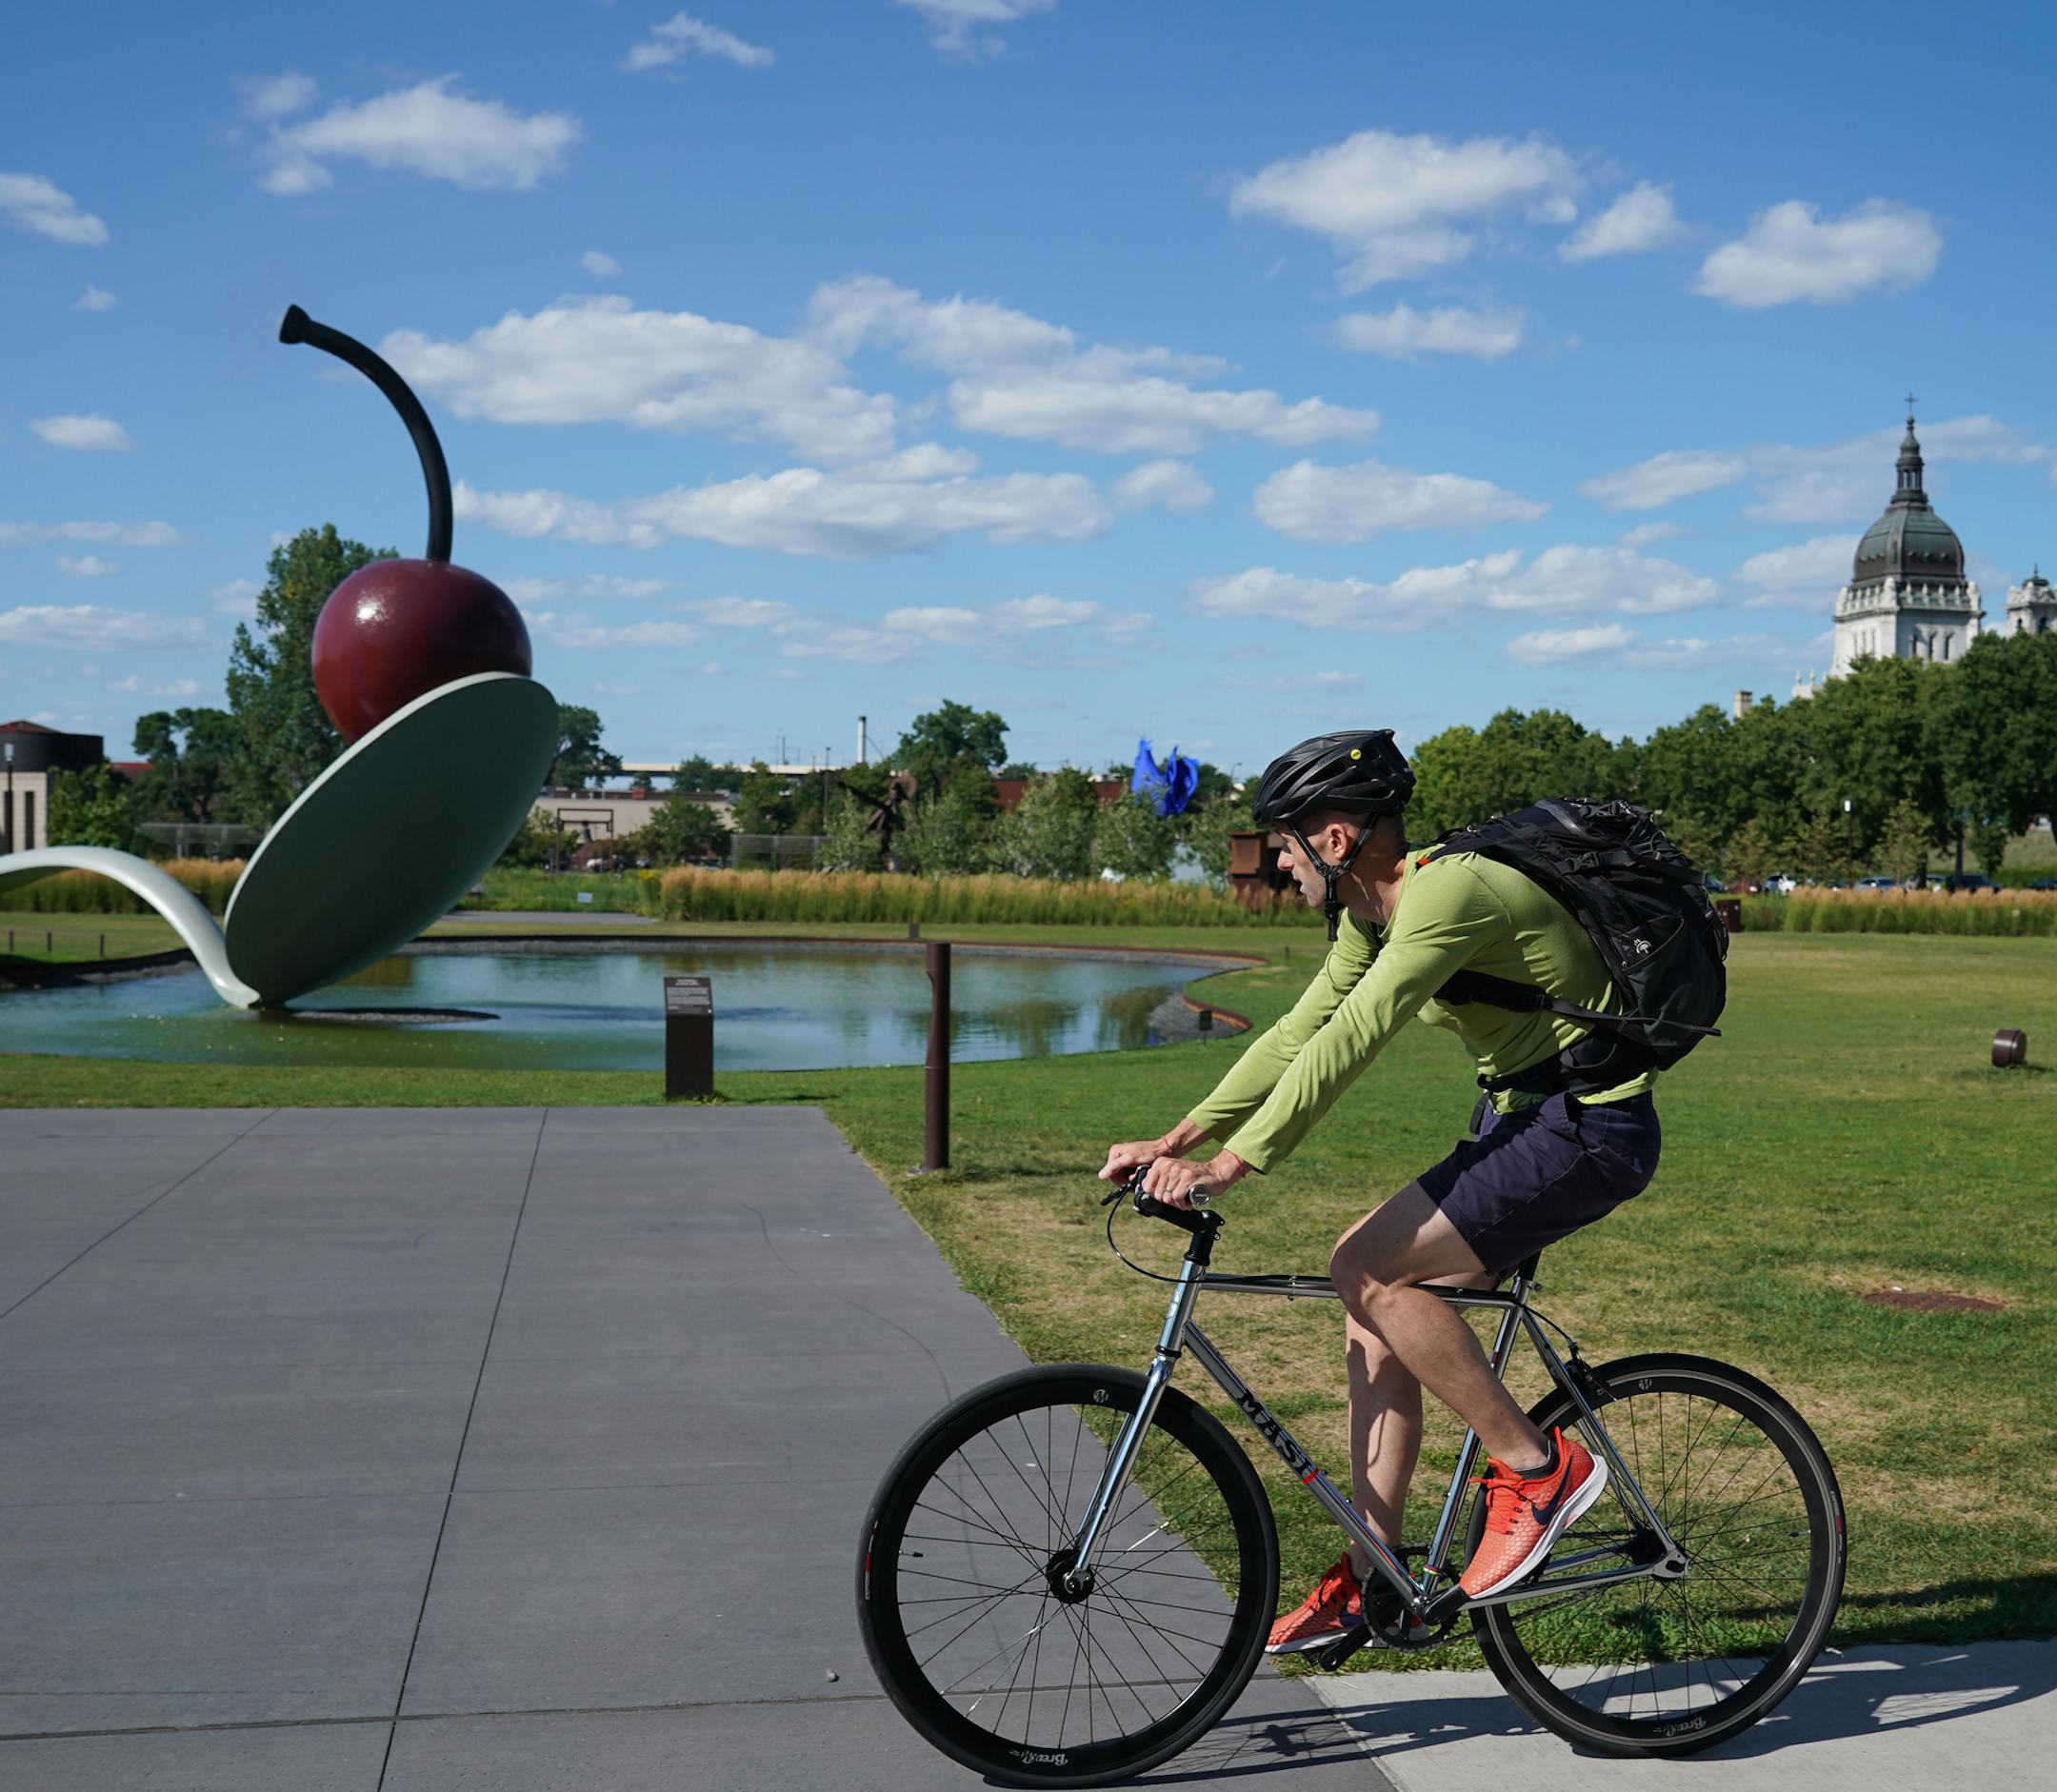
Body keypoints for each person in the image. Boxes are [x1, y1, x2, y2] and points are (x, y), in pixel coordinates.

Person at [1099, 729, 1661, 1655]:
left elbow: (1356, 1035)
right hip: (1522, 1120)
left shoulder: (1446, 891)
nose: (1278, 866)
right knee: (1368, 1303)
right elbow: (1295, 1033)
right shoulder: (1374, 912)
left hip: (1585, 1125)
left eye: (1282, 844)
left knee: (1369, 1269)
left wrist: (1232, 1167)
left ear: (1331, 838)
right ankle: (1375, 1576)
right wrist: (1179, 1137)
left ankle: (1538, 1468)